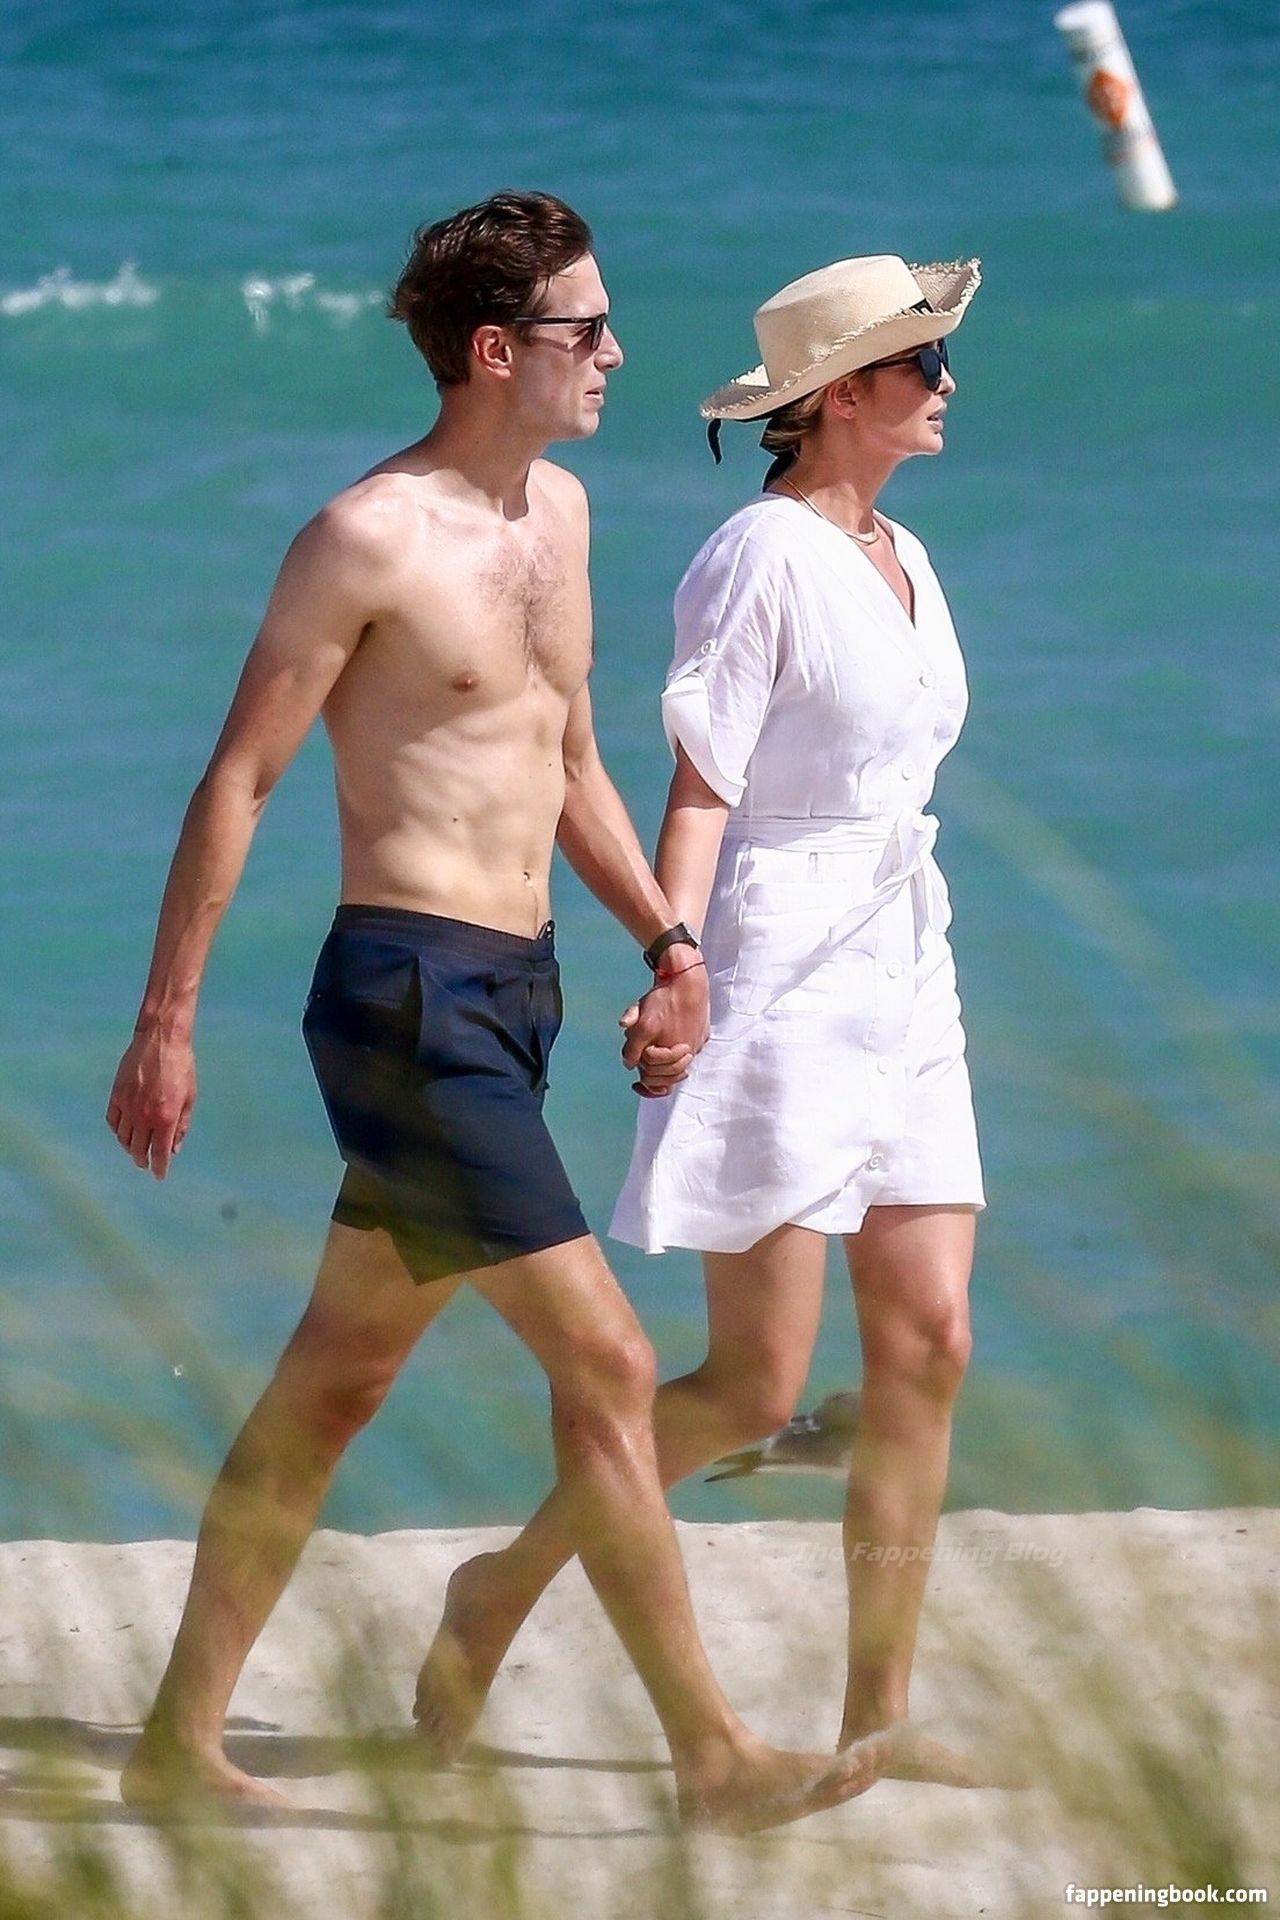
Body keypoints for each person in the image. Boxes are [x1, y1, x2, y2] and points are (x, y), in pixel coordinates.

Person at [104, 197, 897, 1831]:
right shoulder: (366, 539)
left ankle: (178, 1743)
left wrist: (669, 937)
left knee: (334, 1379)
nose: (616, 354)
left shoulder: (564, 516)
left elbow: (570, 761)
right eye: (584, 330)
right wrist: (166, 1021)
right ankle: (713, 1758)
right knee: (608, 1360)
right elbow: (240, 777)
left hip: (514, 993)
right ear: (493, 350)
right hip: (405, 999)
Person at [415, 253, 1012, 1787]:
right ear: (841, 395)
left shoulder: (904, 551)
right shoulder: (759, 555)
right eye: (923, 364)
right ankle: (502, 1587)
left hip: (907, 957)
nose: (947, 386)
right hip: (781, 959)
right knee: (757, 1382)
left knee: (930, 1343)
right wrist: (679, 960)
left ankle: (877, 1715)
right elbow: (702, 785)